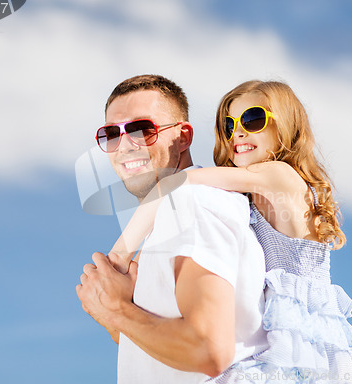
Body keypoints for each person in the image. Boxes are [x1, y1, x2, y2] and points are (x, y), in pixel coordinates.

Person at [109, 80, 352, 383]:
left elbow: (173, 184)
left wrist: (117, 259)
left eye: (253, 120)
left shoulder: (280, 175)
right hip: (280, 333)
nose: (238, 132)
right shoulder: (248, 194)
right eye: (229, 125)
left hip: (302, 339)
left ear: (286, 126)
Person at [76, 75, 269, 384]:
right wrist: (116, 316)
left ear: (183, 137)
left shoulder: (191, 201)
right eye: (112, 133)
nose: (125, 145)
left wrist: (116, 309)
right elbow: (171, 359)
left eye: (142, 130)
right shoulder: (171, 212)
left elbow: (208, 351)